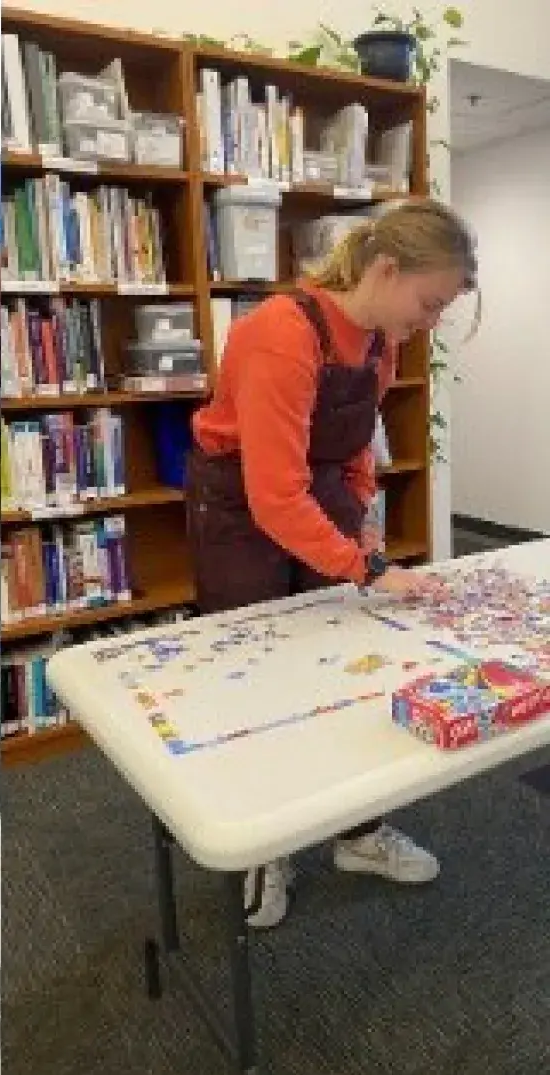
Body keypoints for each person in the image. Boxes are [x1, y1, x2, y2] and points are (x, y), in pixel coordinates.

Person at [185, 197, 476, 929]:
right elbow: (275, 496)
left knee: (345, 671)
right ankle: (265, 843)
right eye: (430, 301)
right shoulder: (284, 333)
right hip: (240, 508)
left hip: (310, 491)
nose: (432, 321)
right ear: (385, 269)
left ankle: (358, 832)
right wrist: (367, 569)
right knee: (261, 681)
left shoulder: (383, 340)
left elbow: (352, 452)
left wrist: (364, 528)